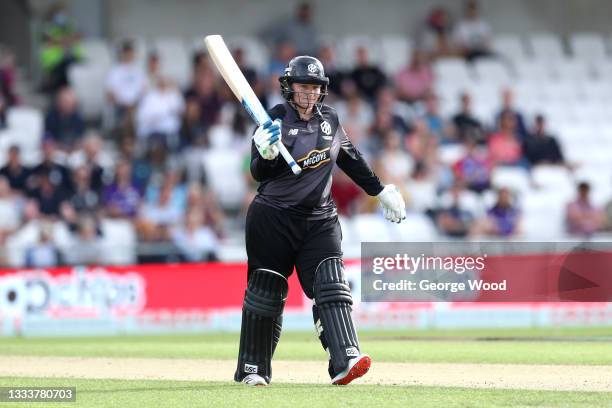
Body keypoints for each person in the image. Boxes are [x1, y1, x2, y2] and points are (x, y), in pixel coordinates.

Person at [235, 56, 406, 387]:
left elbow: (350, 158)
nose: (309, 94)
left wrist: (380, 190)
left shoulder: (329, 119)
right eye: (303, 87)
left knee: (331, 282)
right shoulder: (274, 118)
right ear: (289, 87)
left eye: (315, 87)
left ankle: (345, 359)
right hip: (273, 218)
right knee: (266, 292)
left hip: (319, 219)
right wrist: (266, 153)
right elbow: (257, 172)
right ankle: (252, 369)